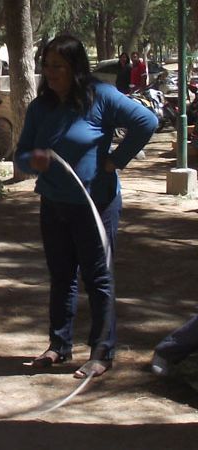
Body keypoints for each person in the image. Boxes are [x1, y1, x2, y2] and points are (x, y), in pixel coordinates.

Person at [14, 35, 158, 379]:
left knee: (98, 279)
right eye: (46, 66)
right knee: (61, 276)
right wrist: (33, 160)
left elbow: (147, 122)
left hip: (96, 205)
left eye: (58, 66)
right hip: (54, 204)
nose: (50, 73)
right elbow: (21, 155)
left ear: (76, 68)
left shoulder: (100, 96)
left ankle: (102, 352)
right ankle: (58, 345)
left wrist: (116, 161)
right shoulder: (41, 107)